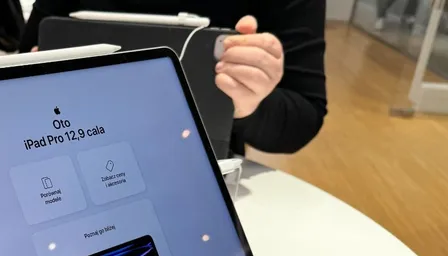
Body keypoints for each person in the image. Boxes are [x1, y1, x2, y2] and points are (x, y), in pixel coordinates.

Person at [19, 1, 327, 156]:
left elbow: (303, 117)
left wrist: (250, 102)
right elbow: (27, 56)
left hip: (202, 168)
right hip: (72, 152)